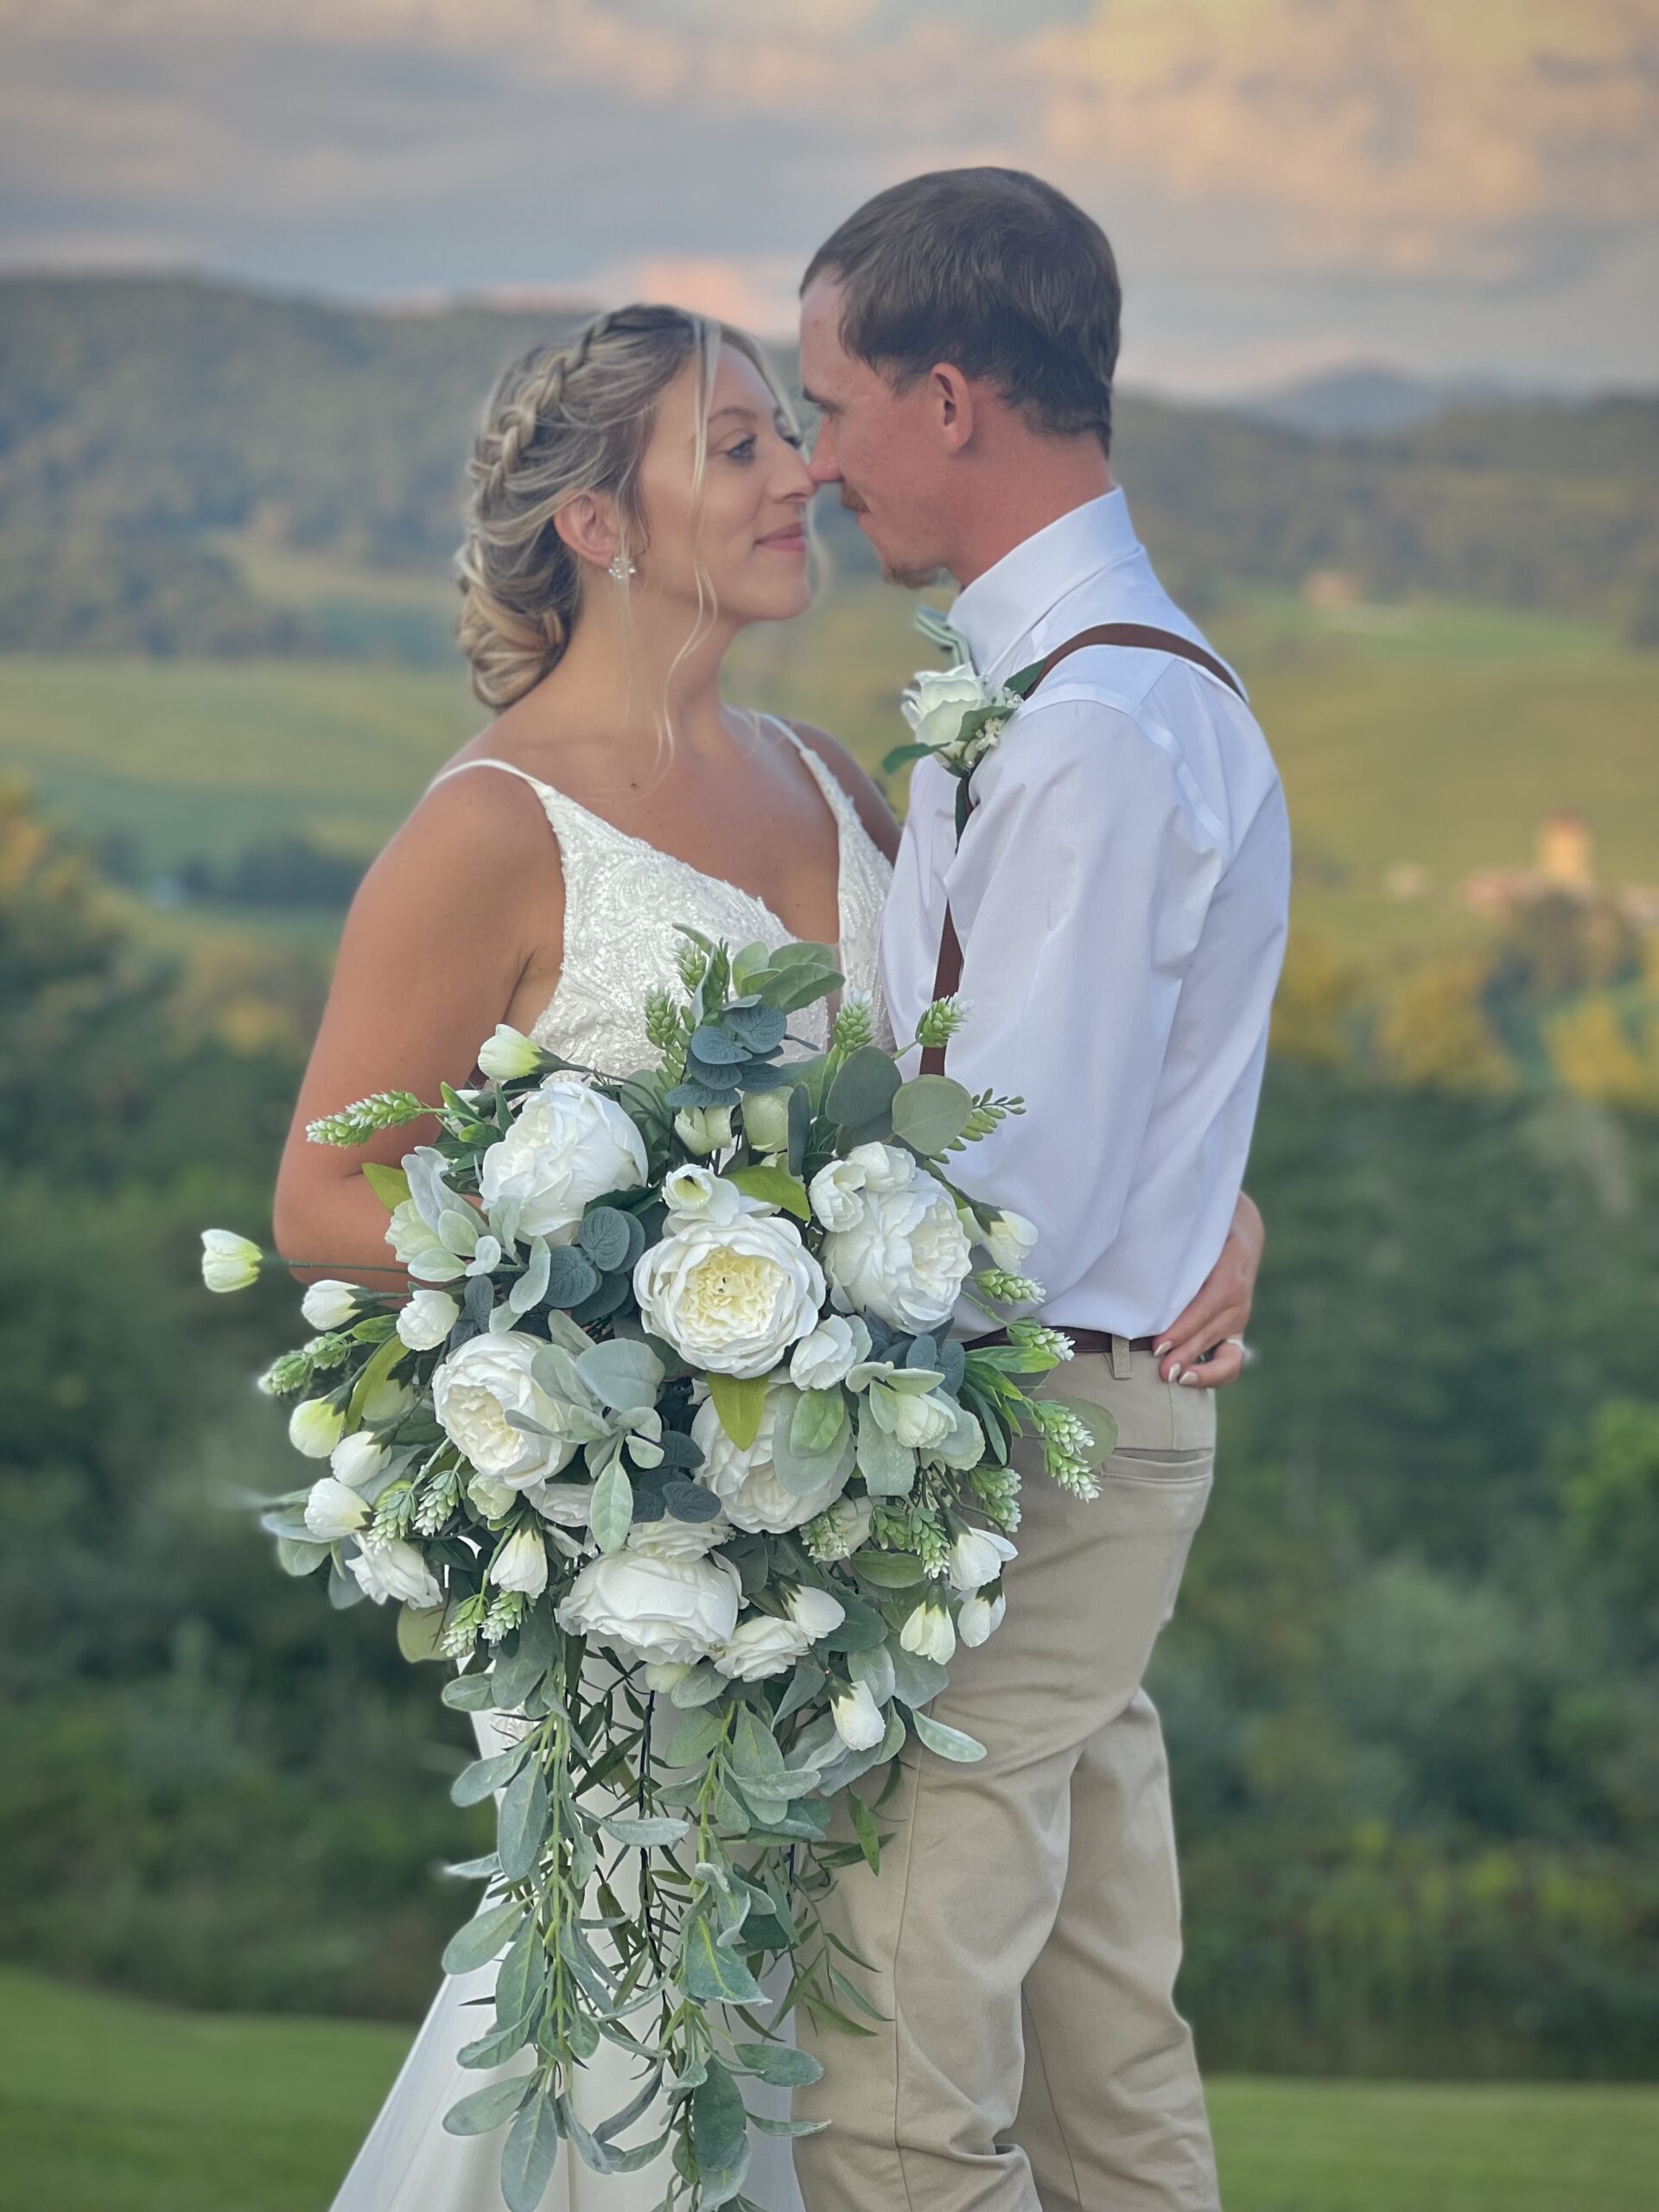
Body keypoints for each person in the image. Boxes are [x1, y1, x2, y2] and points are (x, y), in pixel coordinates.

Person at [276, 296, 1263, 2210]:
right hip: (659, 1584)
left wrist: (1216, 1197)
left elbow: (1005, 1082)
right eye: (736, 445)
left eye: (786, 431)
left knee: (916, 2042)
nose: (797, 468)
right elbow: (328, 1197)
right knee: (663, 2070)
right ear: (600, 522)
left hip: (869, 1569)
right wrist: (635, 1324)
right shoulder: (486, 830)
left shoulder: (831, 774)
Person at [790, 168, 1291, 2212]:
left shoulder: (1092, 725)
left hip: (1029, 1440)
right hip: (1074, 1412)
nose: (819, 467)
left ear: (946, 397)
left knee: (894, 2090)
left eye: (827, 407)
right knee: (1104, 2070)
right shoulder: (1080, 686)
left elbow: (1012, 1199)